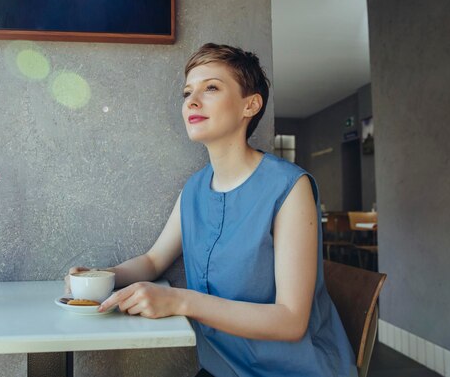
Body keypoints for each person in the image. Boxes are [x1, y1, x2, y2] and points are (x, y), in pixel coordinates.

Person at [66, 43, 357, 377]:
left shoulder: (289, 188)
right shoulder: (194, 189)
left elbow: (291, 321)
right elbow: (152, 261)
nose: (191, 100)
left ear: (251, 105)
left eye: (212, 88)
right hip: (222, 369)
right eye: (188, 91)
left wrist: (179, 301)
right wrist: (98, 278)